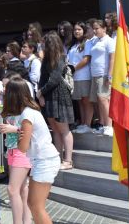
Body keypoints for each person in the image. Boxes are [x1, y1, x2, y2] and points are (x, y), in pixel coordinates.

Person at [8, 78, 60, 224]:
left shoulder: (27, 115)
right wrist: (20, 133)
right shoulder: (29, 112)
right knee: (34, 205)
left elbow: (22, 147)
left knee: (36, 206)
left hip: (45, 160)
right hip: (41, 160)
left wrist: (17, 134)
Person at [37, 32, 75, 170]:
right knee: (55, 129)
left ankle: (68, 161)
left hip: (60, 96)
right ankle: (57, 159)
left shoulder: (61, 58)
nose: (42, 47)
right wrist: (40, 94)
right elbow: (42, 79)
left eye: (44, 45)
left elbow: (55, 79)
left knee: (64, 129)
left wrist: (41, 92)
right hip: (49, 97)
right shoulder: (46, 59)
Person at [0, 75, 33, 224]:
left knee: (12, 190)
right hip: (12, 151)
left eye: (7, 89)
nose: (4, 91)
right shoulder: (11, 110)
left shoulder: (28, 111)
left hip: (22, 152)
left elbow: (33, 132)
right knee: (21, 189)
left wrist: (14, 129)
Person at [89, 19, 116, 136]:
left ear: (104, 28)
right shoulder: (94, 41)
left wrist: (109, 75)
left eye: (97, 28)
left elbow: (112, 59)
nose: (95, 31)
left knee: (104, 99)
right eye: (93, 28)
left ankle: (109, 125)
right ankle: (104, 124)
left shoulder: (109, 41)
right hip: (94, 74)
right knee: (99, 101)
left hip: (103, 74)